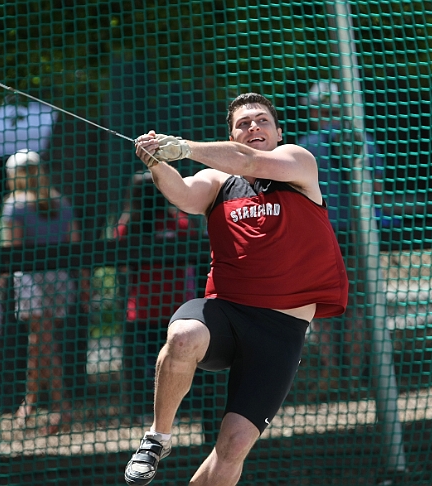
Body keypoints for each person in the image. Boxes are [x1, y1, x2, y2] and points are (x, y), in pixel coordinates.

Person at [123, 93, 348, 486]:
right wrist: (158, 163)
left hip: (281, 330)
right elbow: (184, 194)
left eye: (262, 120)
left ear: (279, 132)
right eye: (243, 124)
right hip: (227, 313)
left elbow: (249, 161)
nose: (253, 127)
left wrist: (185, 147)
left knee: (233, 446)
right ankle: (157, 438)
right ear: (231, 135)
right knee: (183, 334)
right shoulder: (219, 181)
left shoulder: (298, 162)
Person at [297, 81, 391, 381]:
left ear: (315, 110)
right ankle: (354, 374)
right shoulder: (362, 140)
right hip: (361, 236)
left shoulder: (305, 147)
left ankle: (332, 374)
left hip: (321, 236)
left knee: (323, 307)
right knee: (359, 305)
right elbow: (376, 189)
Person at [0, 148, 80, 435]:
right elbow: (75, 244)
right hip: (59, 280)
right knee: (41, 343)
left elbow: (14, 250)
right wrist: (82, 283)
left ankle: (61, 408)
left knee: (43, 344)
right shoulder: (61, 202)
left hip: (32, 282)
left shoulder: (15, 206)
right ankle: (30, 403)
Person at [113, 170, 196, 420]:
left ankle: (160, 413)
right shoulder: (176, 222)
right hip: (169, 307)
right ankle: (173, 411)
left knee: (154, 363)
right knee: (172, 361)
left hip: (149, 308)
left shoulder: (130, 226)